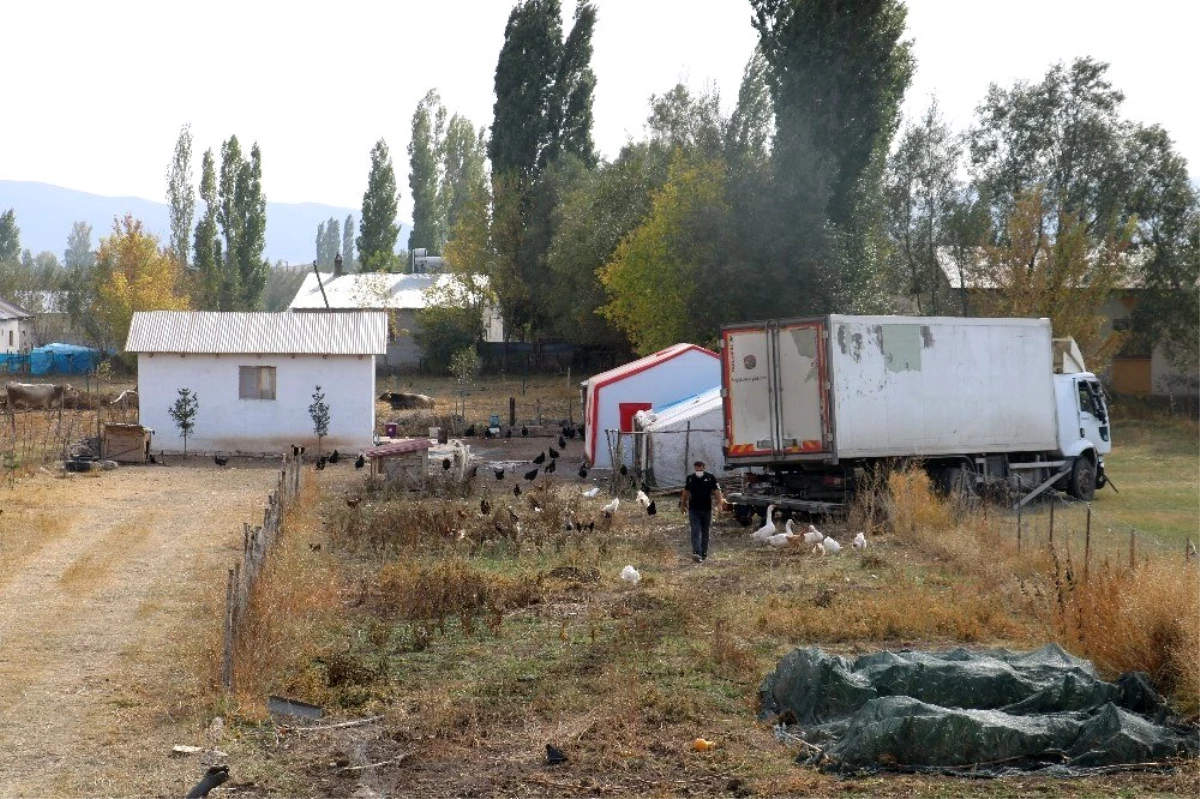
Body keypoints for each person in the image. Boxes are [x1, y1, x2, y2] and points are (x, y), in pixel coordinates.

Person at [681, 459, 724, 562]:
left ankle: (704, 553)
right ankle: (697, 553)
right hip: (694, 510)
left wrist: (719, 504)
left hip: (706, 509)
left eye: (700, 466)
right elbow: (686, 492)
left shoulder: (710, 478)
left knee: (705, 532)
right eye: (696, 465)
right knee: (695, 530)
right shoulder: (690, 478)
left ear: (704, 467)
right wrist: (682, 504)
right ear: (694, 467)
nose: (698, 467)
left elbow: (717, 491)